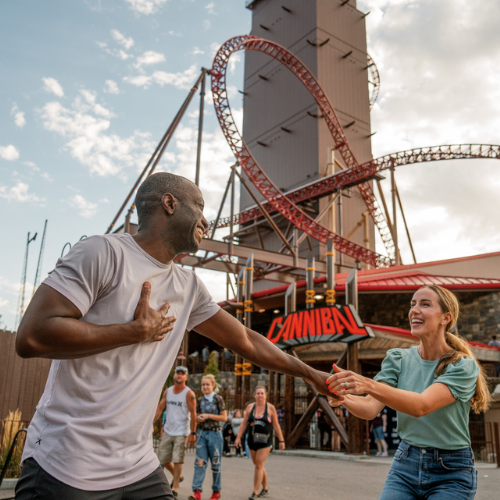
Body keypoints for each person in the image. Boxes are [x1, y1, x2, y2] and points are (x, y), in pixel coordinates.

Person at [14, 172, 332, 500]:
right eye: (199, 206)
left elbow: (247, 341)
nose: (206, 221)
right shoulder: (103, 253)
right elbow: (32, 336)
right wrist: (132, 332)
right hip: (67, 465)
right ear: (169, 203)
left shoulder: (189, 286)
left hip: (137, 465)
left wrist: (310, 373)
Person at [327, 285, 492, 500]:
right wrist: (342, 398)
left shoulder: (462, 366)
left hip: (451, 470)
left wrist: (368, 384)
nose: (414, 310)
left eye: (425, 304)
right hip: (406, 463)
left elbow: (421, 406)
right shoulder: (398, 358)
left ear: (446, 318)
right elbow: (369, 408)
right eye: (412, 304)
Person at [153, 366, 196, 497]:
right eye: (178, 373)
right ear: (174, 375)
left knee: (178, 460)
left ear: (186, 377)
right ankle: (179, 476)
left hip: (182, 431)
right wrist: (150, 423)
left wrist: (193, 433)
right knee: (163, 458)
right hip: (168, 430)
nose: (179, 376)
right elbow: (160, 408)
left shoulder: (189, 394)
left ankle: (175, 487)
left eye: (183, 374)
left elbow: (194, 414)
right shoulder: (168, 391)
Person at [235, 386, 285, 499]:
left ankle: (255, 492)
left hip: (265, 441)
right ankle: (265, 488)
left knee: (258, 465)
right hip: (252, 440)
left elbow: (276, 425)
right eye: (258, 393)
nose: (260, 396)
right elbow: (243, 423)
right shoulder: (250, 407)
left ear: (266, 395)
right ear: (254, 395)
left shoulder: (270, 408)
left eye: (262, 393)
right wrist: (238, 438)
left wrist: (281, 440)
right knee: (259, 465)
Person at [189, 375, 226, 500]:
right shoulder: (199, 400)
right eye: (203, 384)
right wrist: (198, 418)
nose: (205, 387)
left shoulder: (218, 399)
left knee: (216, 464)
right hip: (202, 433)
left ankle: (216, 490)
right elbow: (197, 417)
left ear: (213, 385)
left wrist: (208, 416)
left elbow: (224, 417)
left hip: (215, 434)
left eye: (207, 384)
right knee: (200, 462)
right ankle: (197, 491)